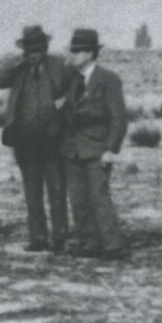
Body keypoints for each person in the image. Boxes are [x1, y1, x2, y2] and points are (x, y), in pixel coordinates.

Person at [0, 24, 74, 253]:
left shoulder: (59, 65)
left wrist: (65, 101)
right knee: (32, 190)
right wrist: (18, 60)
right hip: (25, 141)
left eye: (38, 48)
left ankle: (59, 237)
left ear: (45, 47)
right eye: (30, 49)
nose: (34, 53)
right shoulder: (19, 68)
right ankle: (38, 238)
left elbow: (78, 85)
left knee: (57, 189)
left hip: (53, 139)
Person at [60, 27, 129, 260]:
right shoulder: (72, 80)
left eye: (78, 51)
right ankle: (88, 243)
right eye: (72, 50)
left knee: (99, 198)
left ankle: (112, 245)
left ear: (90, 53)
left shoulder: (108, 79)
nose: (73, 55)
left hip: (97, 148)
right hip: (73, 149)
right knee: (78, 199)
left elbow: (118, 117)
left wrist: (111, 149)